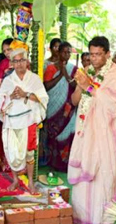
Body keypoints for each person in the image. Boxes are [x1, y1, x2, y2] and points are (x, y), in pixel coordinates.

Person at [68, 36, 116, 224]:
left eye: (98, 55)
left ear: (107, 54)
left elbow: (115, 104)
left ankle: (103, 218)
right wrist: (81, 85)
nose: (94, 59)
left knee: (104, 174)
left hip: (107, 134)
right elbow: (75, 101)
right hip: (85, 132)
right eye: (91, 55)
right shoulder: (86, 72)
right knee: (84, 175)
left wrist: (89, 86)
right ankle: (81, 216)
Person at [0, 48, 48, 194]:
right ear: (11, 63)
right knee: (12, 151)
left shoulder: (34, 79)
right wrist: (10, 97)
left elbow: (43, 98)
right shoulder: (8, 80)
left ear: (27, 61)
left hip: (29, 120)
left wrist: (26, 94)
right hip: (12, 121)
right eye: (16, 61)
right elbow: (0, 99)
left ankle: (30, 182)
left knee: (29, 152)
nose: (19, 64)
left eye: (21, 60)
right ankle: (15, 180)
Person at [43, 41, 78, 172]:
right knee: (54, 134)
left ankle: (66, 163)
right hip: (53, 107)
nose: (67, 54)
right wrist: (60, 75)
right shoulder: (51, 68)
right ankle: (53, 162)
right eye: (64, 51)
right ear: (58, 52)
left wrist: (66, 74)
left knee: (68, 132)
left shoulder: (73, 69)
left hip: (68, 107)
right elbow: (46, 86)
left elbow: (76, 86)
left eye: (69, 52)